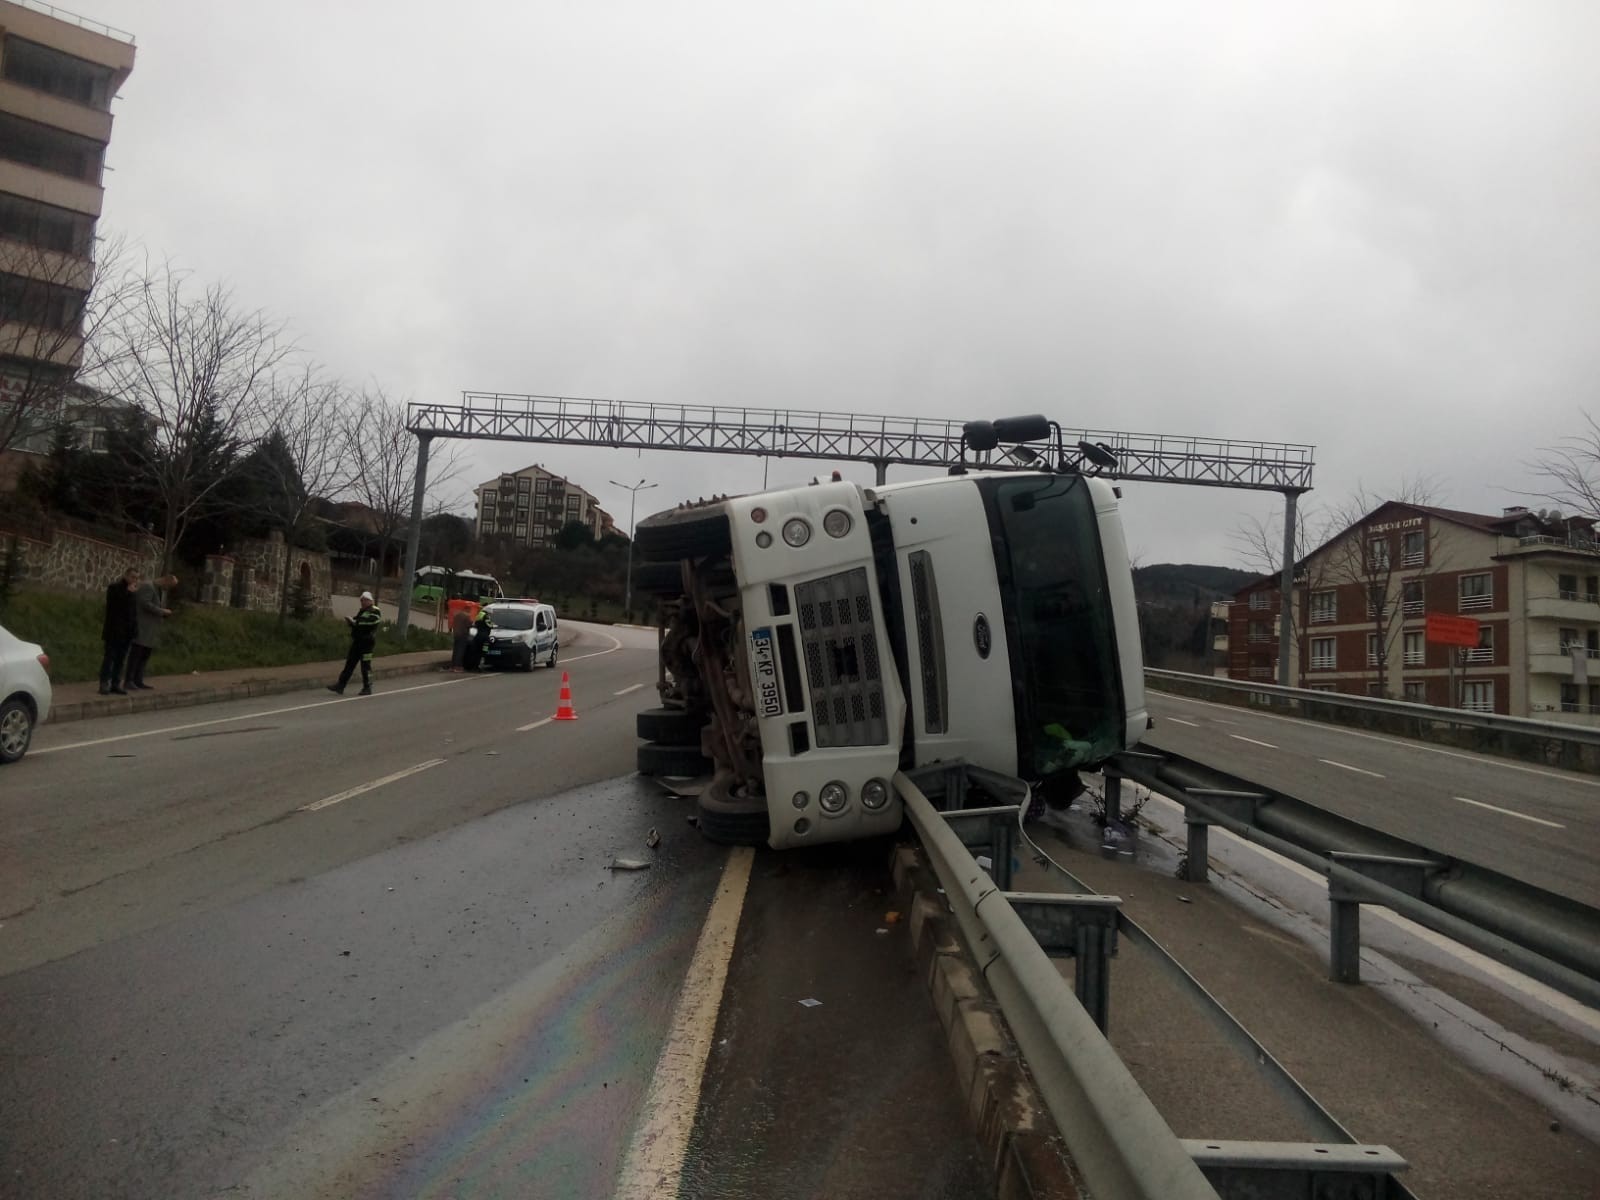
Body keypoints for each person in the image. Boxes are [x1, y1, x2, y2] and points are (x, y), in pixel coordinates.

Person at [127, 574, 179, 690]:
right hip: (143, 627)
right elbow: (145, 604)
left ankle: (138, 680)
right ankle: (129, 680)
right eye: (169, 586)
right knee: (136, 654)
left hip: (151, 629)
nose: (168, 589)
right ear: (166, 580)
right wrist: (162, 611)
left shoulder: (159, 590)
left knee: (145, 655)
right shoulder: (148, 586)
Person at [329, 591, 382, 696]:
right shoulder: (363, 611)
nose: (362, 602)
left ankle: (368, 687)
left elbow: (370, 622)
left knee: (365, 666)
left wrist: (355, 622)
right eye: (361, 600)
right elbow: (359, 623)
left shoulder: (375, 611)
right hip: (358, 641)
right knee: (349, 664)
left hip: (367, 643)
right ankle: (340, 685)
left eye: (364, 600)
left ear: (369, 600)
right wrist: (351, 622)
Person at [99, 567, 141, 695]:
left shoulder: (133, 592)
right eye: (133, 577)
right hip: (114, 630)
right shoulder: (115, 588)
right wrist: (127, 593)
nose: (134, 580)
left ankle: (116, 683)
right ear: (126, 575)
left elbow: (133, 612)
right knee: (109, 657)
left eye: (136, 578)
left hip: (127, 632)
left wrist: (135, 629)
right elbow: (114, 607)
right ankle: (104, 682)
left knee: (121, 659)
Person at [464, 605, 494, 671]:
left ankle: (474, 666)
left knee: (476, 651)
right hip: (484, 637)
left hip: (477, 635)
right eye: (490, 614)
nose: (490, 615)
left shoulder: (479, 615)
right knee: (483, 651)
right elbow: (489, 625)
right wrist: (493, 625)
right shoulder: (486, 616)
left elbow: (475, 624)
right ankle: (480, 665)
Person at [450, 603, 472, 672]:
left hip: (456, 634)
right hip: (463, 635)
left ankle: (453, 665)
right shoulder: (466, 616)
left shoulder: (457, 615)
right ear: (467, 609)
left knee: (455, 650)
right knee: (460, 651)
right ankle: (458, 666)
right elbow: (469, 624)